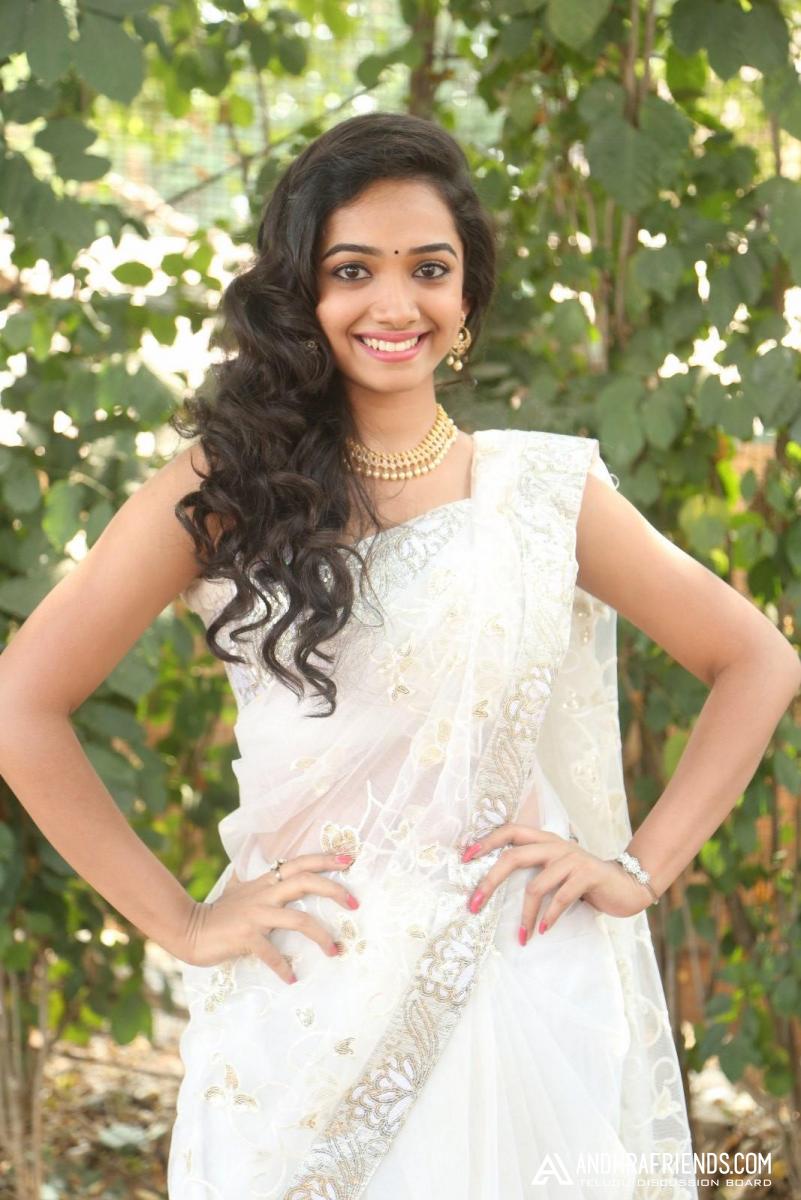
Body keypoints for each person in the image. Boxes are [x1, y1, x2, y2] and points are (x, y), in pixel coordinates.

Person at [0, 112, 798, 1200]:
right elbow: (22, 703)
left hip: (516, 991)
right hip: (304, 1010)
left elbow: (757, 661)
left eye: (429, 269)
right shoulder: (225, 491)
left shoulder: (538, 494)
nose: (394, 304)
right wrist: (182, 922)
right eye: (352, 270)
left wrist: (635, 870)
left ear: (466, 296)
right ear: (300, 291)